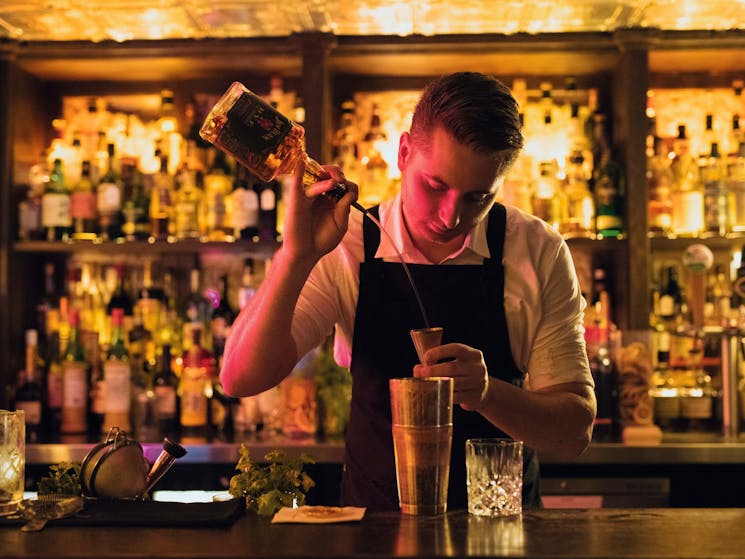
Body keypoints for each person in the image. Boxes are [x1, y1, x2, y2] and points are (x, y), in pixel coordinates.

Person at [221, 71, 596, 510]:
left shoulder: (536, 249)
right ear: (403, 153)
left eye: (478, 197)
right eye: (435, 186)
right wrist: (295, 256)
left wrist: (487, 393)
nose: (450, 217)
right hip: (372, 530)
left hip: (501, 535)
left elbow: (574, 432)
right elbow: (240, 378)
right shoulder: (349, 240)